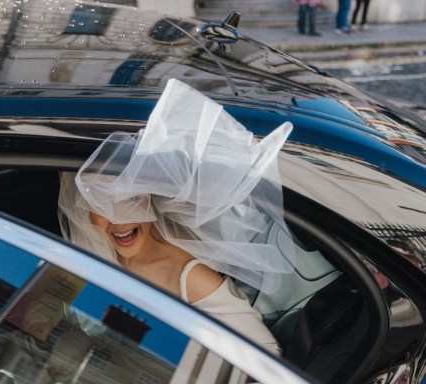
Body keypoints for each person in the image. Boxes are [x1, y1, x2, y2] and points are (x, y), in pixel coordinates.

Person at [58, 79, 296, 355]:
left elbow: (266, 357)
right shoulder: (96, 253)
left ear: (150, 197)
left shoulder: (189, 276)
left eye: (131, 200)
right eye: (101, 205)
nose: (119, 219)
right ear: (82, 208)